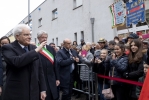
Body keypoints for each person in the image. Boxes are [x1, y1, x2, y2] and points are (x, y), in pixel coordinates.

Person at [1, 24, 47, 100]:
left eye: (30, 34)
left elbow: (39, 70)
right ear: (17, 36)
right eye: (26, 35)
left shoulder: (33, 48)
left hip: (34, 92)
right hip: (17, 93)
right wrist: (35, 51)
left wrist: (43, 89)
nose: (29, 37)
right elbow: (16, 62)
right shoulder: (8, 48)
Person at [37, 30, 60, 100]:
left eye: (46, 37)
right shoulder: (35, 48)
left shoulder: (51, 49)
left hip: (51, 77)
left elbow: (55, 64)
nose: (44, 39)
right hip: (41, 78)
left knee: (54, 96)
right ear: (38, 38)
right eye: (42, 37)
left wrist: (57, 78)